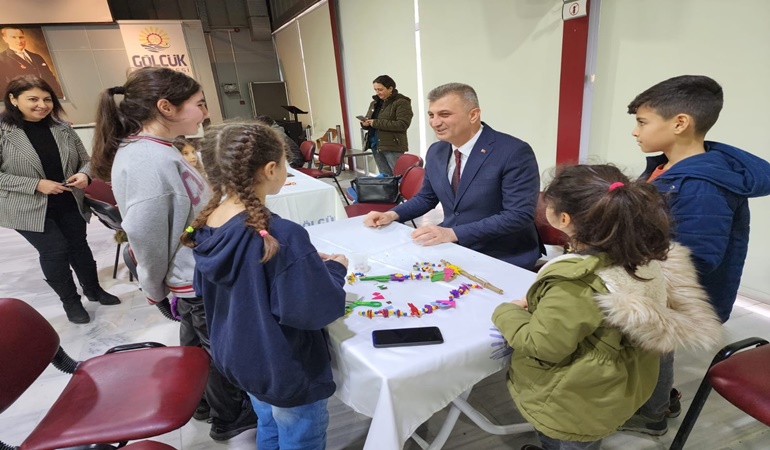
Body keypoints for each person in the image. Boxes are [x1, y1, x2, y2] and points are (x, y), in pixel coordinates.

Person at [492, 164, 722, 450]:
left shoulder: (576, 281)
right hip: (613, 388)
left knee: (566, 439)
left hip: (571, 399)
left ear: (563, 219)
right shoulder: (642, 258)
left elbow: (543, 345)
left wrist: (506, 311)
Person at [89, 67, 256, 441]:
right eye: (199, 105)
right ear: (166, 107)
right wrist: (153, 287)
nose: (205, 113)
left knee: (197, 340)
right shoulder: (151, 160)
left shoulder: (155, 150)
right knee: (218, 349)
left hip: (191, 272)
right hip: (190, 276)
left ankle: (203, 401)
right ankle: (230, 416)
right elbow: (147, 236)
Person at [181, 121, 348, 450]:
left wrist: (304, 265)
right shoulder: (280, 236)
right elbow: (315, 310)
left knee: (268, 424)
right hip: (285, 366)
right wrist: (333, 269)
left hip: (241, 358)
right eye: (285, 163)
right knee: (300, 435)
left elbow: (210, 287)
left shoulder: (206, 224)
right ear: (271, 169)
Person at [619, 75, 770, 436]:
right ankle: (656, 398)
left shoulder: (703, 184)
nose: (635, 132)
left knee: (653, 345)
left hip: (671, 291)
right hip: (651, 280)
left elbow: (699, 256)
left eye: (642, 122)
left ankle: (651, 414)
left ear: (680, 123)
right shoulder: (665, 166)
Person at [363, 82, 541, 270]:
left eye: (444, 114)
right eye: (431, 115)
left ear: (473, 115)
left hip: (503, 252)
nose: (435, 122)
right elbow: (427, 197)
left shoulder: (513, 152)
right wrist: (392, 214)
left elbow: (518, 215)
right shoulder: (437, 151)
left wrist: (453, 233)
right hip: (453, 245)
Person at [0, 75, 119, 324]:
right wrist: (35, 184)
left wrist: (84, 174)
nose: (42, 105)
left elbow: (85, 160)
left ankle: (93, 290)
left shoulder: (62, 128)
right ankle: (71, 302)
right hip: (26, 206)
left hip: (67, 200)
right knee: (55, 250)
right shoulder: (3, 131)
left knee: (79, 246)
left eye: (47, 99)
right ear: (13, 99)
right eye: (32, 99)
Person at [360, 75, 413, 175]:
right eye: (375, 89)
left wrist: (375, 123)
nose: (377, 92)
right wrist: (365, 124)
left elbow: (402, 124)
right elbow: (370, 121)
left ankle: (399, 191)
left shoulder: (401, 102)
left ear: (390, 88)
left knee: (399, 176)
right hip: (376, 144)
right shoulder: (374, 103)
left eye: (380, 89)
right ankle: (387, 191)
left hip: (392, 146)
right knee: (385, 175)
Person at [0, 27, 63, 98]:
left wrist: (56, 96)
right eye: (13, 37)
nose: (19, 41)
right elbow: (2, 86)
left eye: (21, 37)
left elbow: (51, 79)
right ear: (5, 39)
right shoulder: (2, 59)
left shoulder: (37, 57)